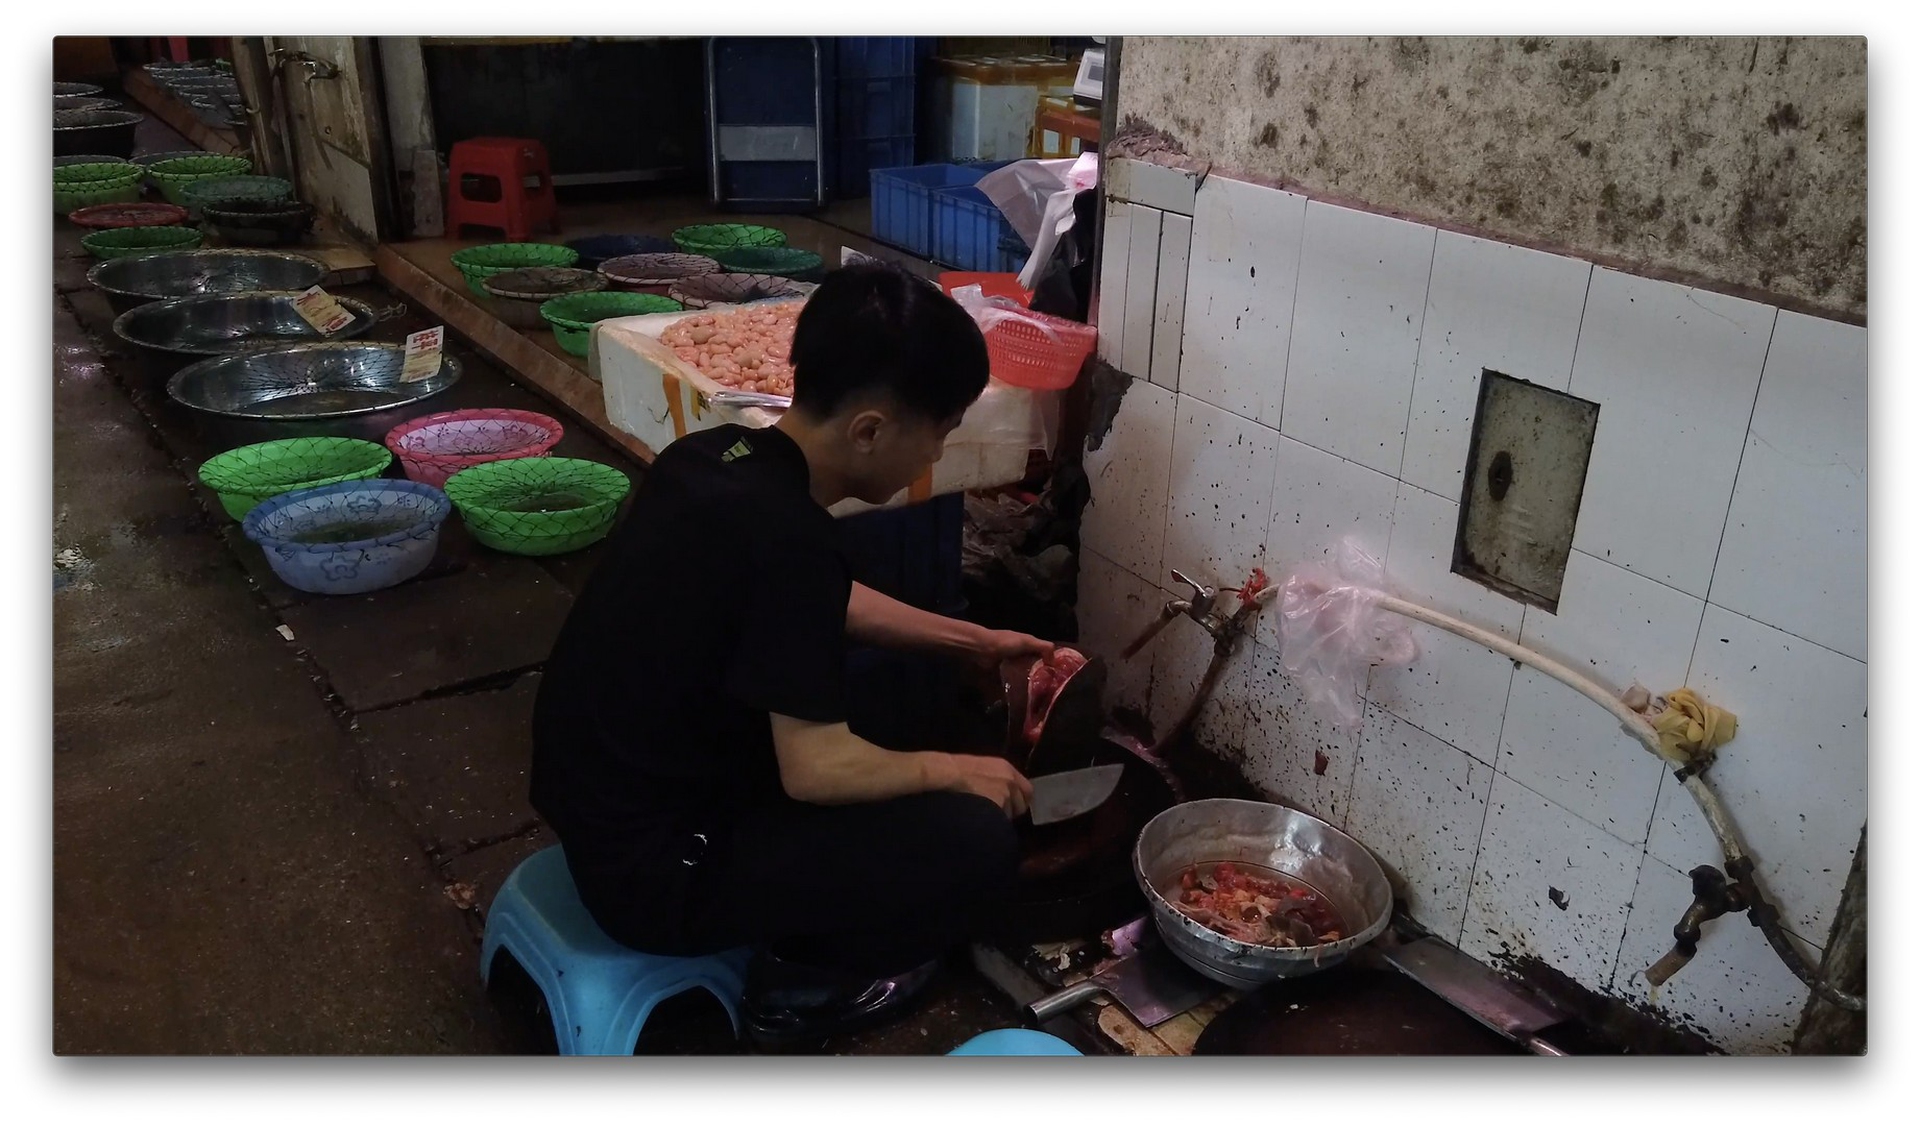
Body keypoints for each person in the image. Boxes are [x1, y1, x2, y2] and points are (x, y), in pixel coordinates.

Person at [530, 263, 1053, 1050]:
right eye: (938, 436)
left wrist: (972, 643)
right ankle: (810, 982)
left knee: (902, 708)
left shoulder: (711, 460)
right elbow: (817, 769)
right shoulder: (791, 539)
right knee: (976, 843)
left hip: (598, 809)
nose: (934, 460)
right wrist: (957, 770)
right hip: (657, 878)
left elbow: (815, 602)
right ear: (870, 430)